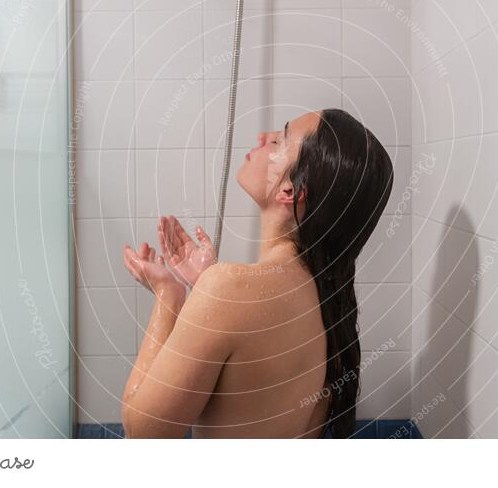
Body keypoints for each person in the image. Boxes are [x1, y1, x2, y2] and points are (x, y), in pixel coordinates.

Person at [120, 108, 394, 438]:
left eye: (280, 139)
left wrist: (170, 295)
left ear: (291, 191)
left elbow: (142, 432)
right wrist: (206, 295)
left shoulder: (229, 288)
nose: (262, 137)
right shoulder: (328, 300)